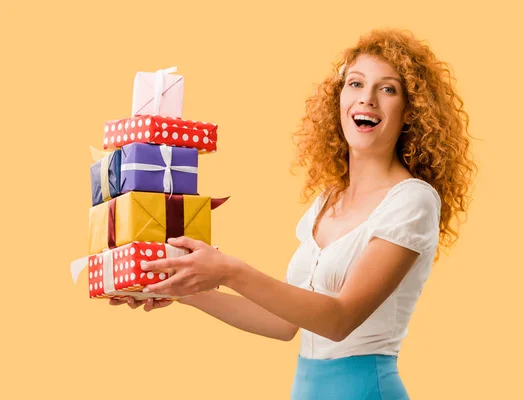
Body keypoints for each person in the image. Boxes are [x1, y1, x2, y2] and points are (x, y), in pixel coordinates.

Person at [110, 28, 477, 399]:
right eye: (355, 84)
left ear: (410, 110)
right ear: (338, 98)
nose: (366, 99)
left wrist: (228, 270)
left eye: (387, 89)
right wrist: (178, 287)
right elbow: (284, 323)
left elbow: (338, 320)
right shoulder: (328, 201)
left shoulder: (412, 201)